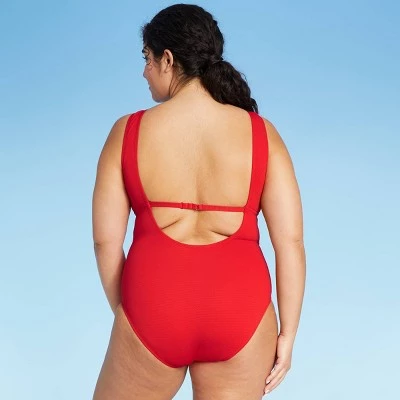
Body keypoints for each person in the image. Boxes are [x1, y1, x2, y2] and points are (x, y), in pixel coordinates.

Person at [92, 3, 306, 399]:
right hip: (240, 311)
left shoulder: (127, 131)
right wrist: (288, 334)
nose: (144, 72)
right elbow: (289, 243)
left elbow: (106, 243)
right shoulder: (262, 133)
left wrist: (134, 316)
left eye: (147, 58)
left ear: (168, 59)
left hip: (154, 304)